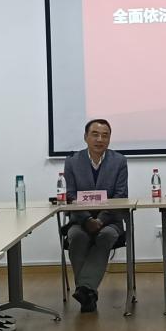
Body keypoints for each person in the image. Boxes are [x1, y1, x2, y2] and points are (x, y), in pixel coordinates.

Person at [62, 119, 129, 312]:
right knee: (76, 237)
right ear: (85, 137)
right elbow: (70, 195)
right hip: (80, 220)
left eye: (105, 135)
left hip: (110, 221)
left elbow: (120, 196)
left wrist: (100, 220)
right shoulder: (72, 162)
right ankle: (88, 293)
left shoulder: (119, 161)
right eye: (95, 134)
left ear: (109, 139)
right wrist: (87, 220)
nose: (100, 139)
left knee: (105, 236)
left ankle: (85, 289)